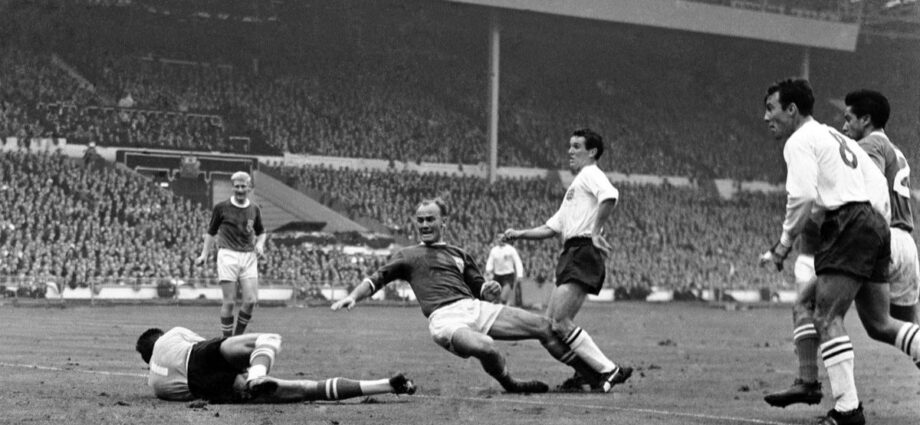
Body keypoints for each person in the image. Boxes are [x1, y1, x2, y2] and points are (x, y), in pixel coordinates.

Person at [331, 198, 632, 394]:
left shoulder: (460, 254)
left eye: (430, 219)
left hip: (474, 308)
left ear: (443, 222)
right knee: (486, 347)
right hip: (445, 319)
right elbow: (376, 279)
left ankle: (588, 375)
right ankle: (510, 383)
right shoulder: (407, 255)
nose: (424, 225)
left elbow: (482, 291)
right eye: (420, 220)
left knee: (545, 326)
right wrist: (354, 296)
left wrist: (491, 290)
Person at [757, 78, 920, 425]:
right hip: (876, 224)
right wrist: (875, 228)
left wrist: (783, 245)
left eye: (771, 108)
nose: (766, 116)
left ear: (791, 109)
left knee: (827, 317)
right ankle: (808, 382)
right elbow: (875, 184)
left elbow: (801, 195)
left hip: (850, 223)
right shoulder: (836, 136)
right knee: (876, 322)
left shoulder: (799, 140)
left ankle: (847, 410)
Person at [501, 128, 628, 392]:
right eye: (570, 146)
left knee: (559, 322)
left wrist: (595, 232)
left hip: (583, 250)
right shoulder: (576, 186)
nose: (570, 151)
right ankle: (587, 374)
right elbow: (551, 227)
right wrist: (519, 234)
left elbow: (610, 196)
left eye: (576, 146)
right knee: (551, 325)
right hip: (572, 251)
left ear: (592, 152)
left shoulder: (591, 173)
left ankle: (608, 369)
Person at [135, 327, 416, 403]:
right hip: (198, 356)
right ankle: (257, 374)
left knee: (306, 391)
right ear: (158, 337)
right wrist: (249, 367)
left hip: (209, 389)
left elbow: (185, 391)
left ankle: (386, 386)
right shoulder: (171, 336)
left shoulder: (155, 385)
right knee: (268, 340)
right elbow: (208, 345)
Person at [195, 171, 267, 336]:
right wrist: (204, 255)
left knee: (250, 300)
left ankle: (237, 337)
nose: (240, 190)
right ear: (232, 188)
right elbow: (211, 232)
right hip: (228, 255)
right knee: (229, 302)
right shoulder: (221, 208)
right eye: (237, 186)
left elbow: (261, 232)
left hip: (249, 256)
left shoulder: (254, 209)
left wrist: (260, 244)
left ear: (249, 188)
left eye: (243, 186)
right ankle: (227, 341)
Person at [484, 236, 525, 307]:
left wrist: (520, 275)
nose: (501, 240)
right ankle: (505, 306)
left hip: (508, 275)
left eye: (502, 238)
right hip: (497, 276)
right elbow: (490, 261)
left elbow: (517, 261)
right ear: (497, 240)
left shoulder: (511, 249)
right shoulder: (494, 250)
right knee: (494, 299)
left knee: (503, 298)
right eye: (499, 238)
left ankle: (505, 303)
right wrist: (488, 270)